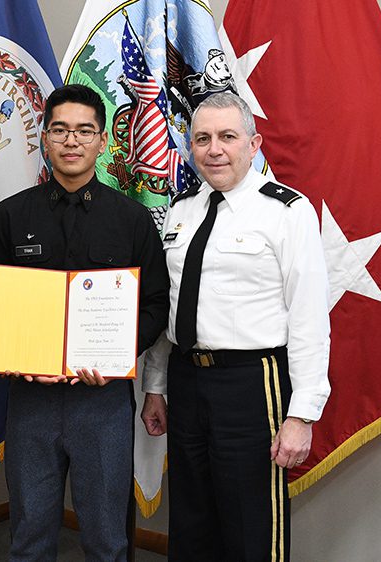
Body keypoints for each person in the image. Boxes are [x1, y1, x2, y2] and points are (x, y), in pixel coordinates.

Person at [0, 84, 169, 562]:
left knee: (106, 540)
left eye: (84, 130)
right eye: (60, 129)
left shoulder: (132, 220)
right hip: (30, 400)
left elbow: (156, 305)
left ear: (102, 142)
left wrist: (117, 353)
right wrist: (3, 346)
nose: (71, 141)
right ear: (44, 138)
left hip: (100, 402)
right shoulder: (12, 215)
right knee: (29, 536)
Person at [141, 92, 331, 561]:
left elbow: (309, 316)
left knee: (251, 526)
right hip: (187, 380)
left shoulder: (287, 211)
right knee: (190, 520)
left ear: (253, 143)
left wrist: (301, 415)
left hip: (251, 384)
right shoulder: (181, 211)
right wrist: (156, 386)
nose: (214, 149)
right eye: (202, 138)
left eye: (228, 136)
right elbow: (172, 309)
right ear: (189, 147)